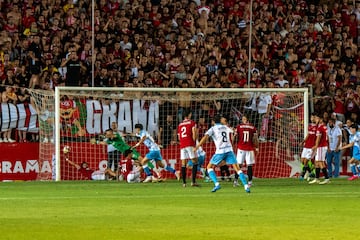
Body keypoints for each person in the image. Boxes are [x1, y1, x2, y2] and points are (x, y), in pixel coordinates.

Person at [195, 114, 250, 193]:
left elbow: (205, 137)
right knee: (237, 169)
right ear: (220, 120)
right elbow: (234, 131)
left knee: (209, 167)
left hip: (220, 151)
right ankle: (246, 186)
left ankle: (217, 184)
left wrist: (198, 146)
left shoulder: (213, 128)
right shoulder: (225, 127)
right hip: (229, 150)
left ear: (213, 121)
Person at [234, 114, 259, 188]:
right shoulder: (253, 127)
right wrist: (257, 147)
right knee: (249, 165)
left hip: (241, 148)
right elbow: (255, 139)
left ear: (247, 119)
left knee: (239, 165)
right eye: (243, 119)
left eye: (244, 119)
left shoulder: (238, 127)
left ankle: (235, 181)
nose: (243, 120)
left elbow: (235, 137)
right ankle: (249, 182)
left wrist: (233, 144)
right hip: (249, 148)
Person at [177, 109, 199, 187]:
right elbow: (194, 133)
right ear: (189, 114)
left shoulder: (180, 125)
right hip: (190, 143)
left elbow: (179, 137)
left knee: (183, 163)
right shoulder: (192, 123)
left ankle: (184, 183)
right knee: (195, 161)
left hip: (182, 145)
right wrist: (194, 143)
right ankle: (193, 182)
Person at [309, 113, 331, 185]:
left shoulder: (320, 127)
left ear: (320, 119)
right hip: (322, 146)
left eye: (317, 118)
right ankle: (317, 178)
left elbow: (319, 138)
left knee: (320, 162)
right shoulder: (324, 126)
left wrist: (316, 145)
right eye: (315, 118)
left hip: (321, 146)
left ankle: (327, 178)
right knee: (317, 163)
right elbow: (327, 137)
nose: (315, 119)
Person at [299, 113, 318, 181]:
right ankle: (310, 172)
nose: (312, 118)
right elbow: (308, 135)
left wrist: (316, 145)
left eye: (313, 117)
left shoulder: (318, 127)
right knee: (302, 161)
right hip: (306, 145)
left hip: (312, 146)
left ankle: (303, 173)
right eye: (311, 117)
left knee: (306, 161)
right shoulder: (310, 126)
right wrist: (303, 141)